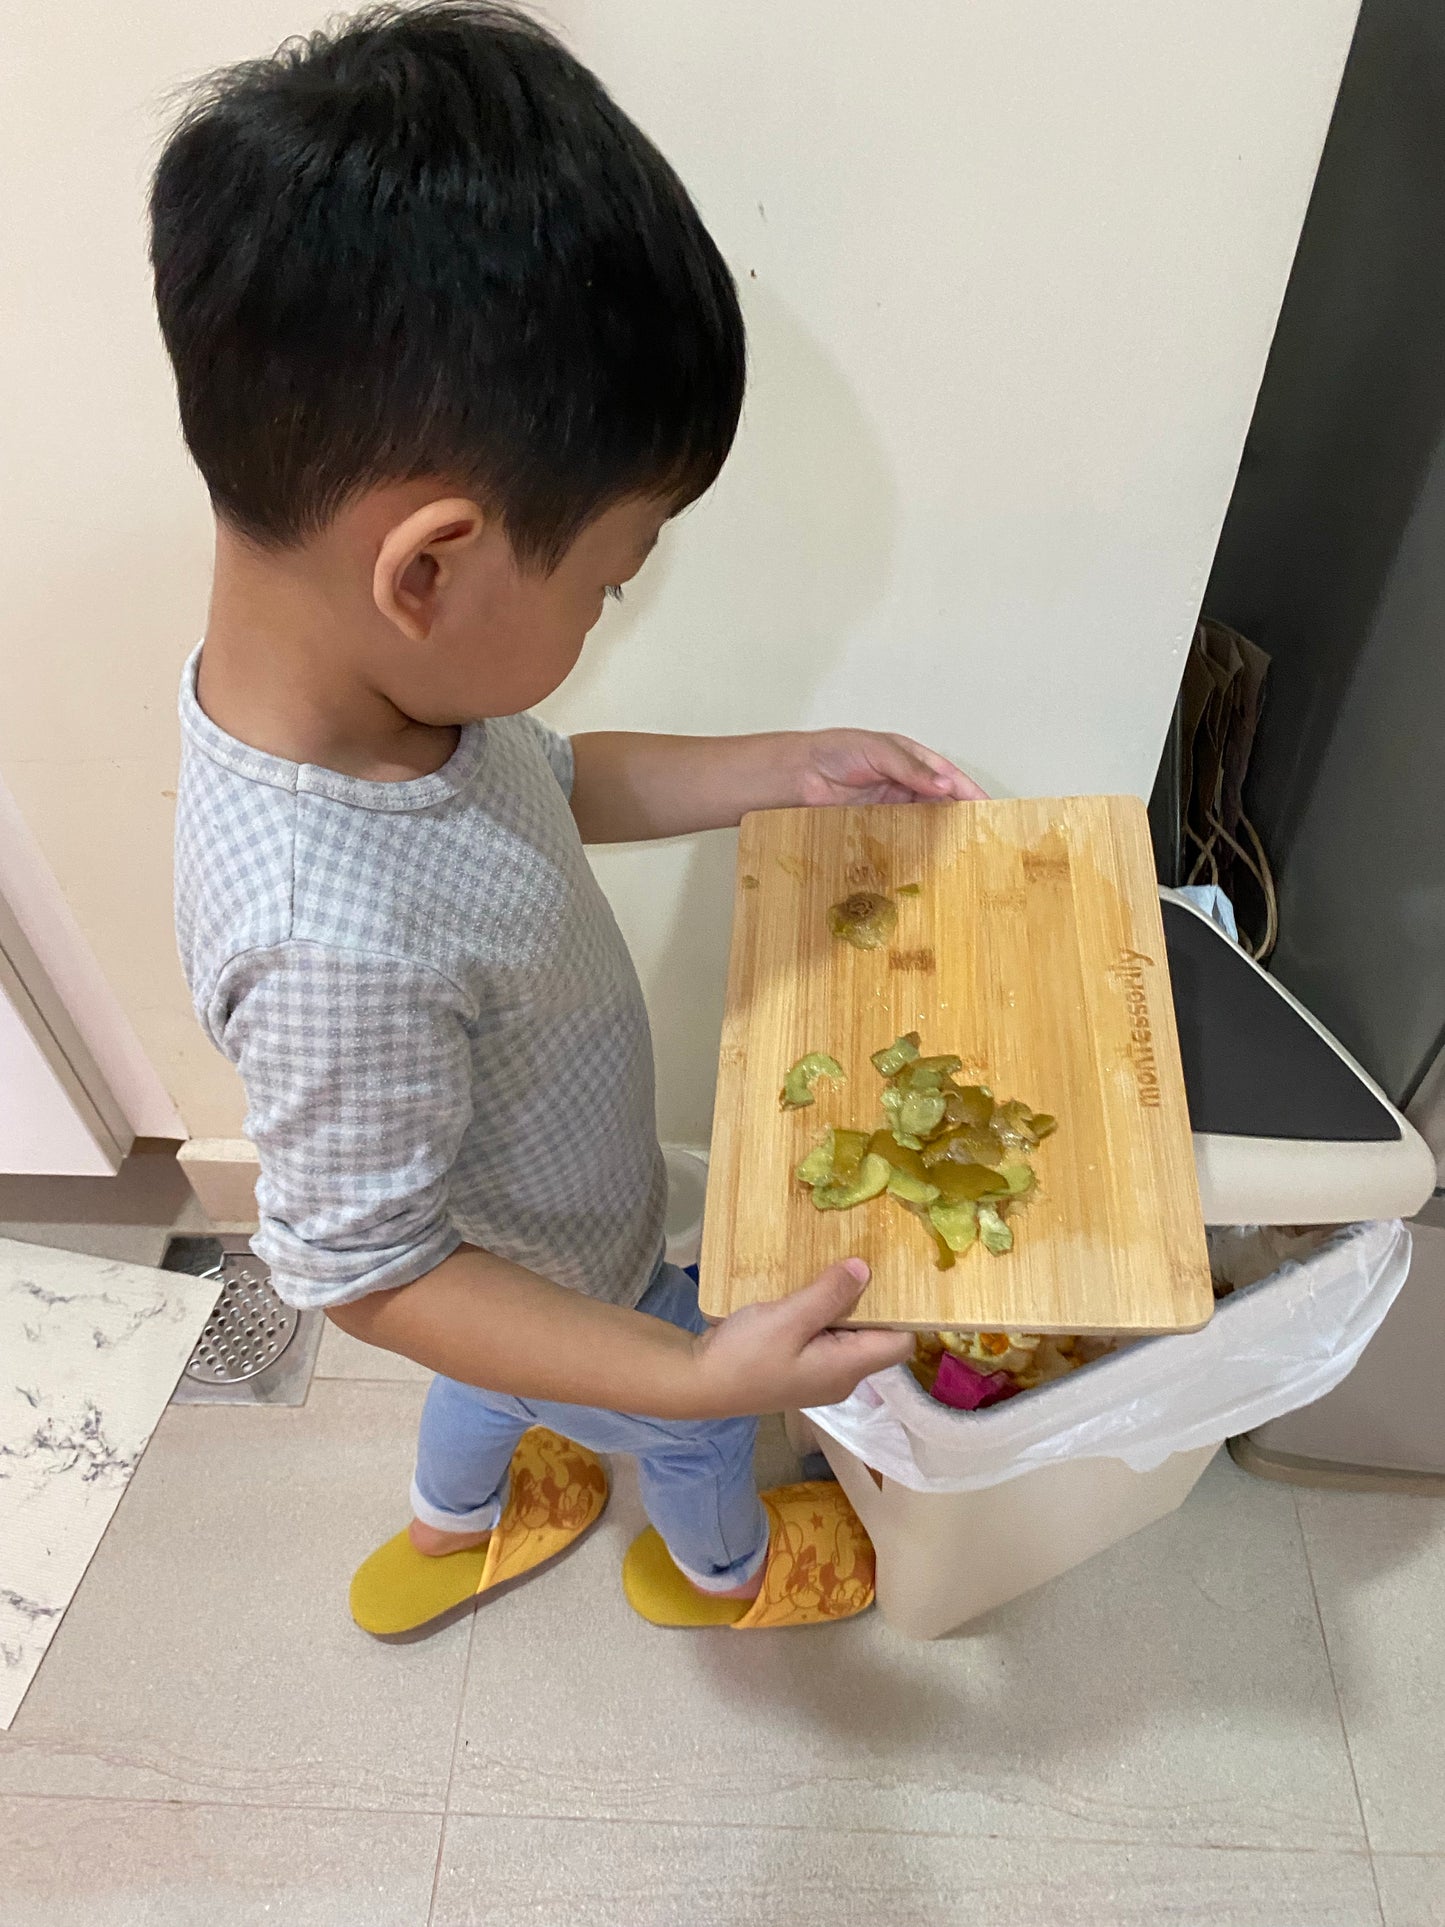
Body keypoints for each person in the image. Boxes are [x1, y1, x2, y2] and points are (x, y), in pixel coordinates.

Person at [155, 1, 982, 1634]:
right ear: (433, 568)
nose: (620, 601)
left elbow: (548, 781)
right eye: (612, 576)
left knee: (492, 1398)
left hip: (550, 1234)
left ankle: (452, 1514)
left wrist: (771, 765)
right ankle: (723, 1570)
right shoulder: (329, 937)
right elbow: (383, 1277)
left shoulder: (393, 695)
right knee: (681, 1438)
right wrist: (686, 1374)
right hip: (585, 1289)